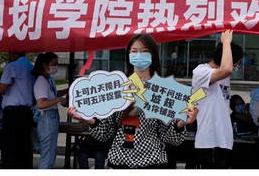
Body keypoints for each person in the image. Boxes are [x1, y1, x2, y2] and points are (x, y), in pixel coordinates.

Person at [68, 34, 198, 169]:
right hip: (119, 162)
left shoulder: (163, 91)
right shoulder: (117, 87)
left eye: (144, 51)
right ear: (128, 55)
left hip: (152, 163)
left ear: (153, 55)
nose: (139, 55)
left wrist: (181, 123)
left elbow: (171, 138)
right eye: (134, 51)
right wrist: (86, 118)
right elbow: (105, 133)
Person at [191, 30, 244, 169]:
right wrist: (226, 42)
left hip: (224, 141)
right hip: (210, 142)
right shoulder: (201, 72)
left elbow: (226, 70)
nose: (236, 67)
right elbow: (226, 69)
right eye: (236, 63)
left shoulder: (224, 76)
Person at [0, 52, 35, 169]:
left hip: (13, 111)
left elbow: (1, 89)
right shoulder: (32, 67)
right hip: (27, 110)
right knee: (25, 144)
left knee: (10, 144)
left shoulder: (12, 66)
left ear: (12, 54)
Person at [32, 52, 67, 169]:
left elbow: (53, 94)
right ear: (45, 65)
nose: (56, 66)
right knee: (47, 156)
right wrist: (59, 99)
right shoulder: (41, 81)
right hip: (47, 118)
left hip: (51, 117)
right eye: (54, 64)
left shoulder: (48, 80)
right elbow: (41, 104)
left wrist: (67, 90)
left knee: (50, 155)